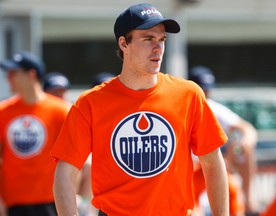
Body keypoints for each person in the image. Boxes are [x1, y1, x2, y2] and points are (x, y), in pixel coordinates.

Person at [50, 3, 229, 216]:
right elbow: (64, 175)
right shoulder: (91, 103)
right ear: (124, 44)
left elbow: (213, 165)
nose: (158, 48)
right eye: (148, 39)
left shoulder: (189, 94)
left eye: (162, 40)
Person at [0, 51, 69, 216]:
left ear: (31, 74)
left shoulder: (60, 110)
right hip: (13, 202)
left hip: (51, 199)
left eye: (14, 73)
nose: (9, 78)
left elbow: (71, 159)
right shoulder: (3, 111)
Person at [189, 65, 258, 214]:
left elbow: (247, 129)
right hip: (190, 170)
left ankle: (248, 201)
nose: (206, 93)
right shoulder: (184, 106)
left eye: (207, 89)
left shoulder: (214, 108)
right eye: (202, 89)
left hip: (213, 164)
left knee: (242, 151)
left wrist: (244, 143)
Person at [43, 72, 97, 216]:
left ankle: (86, 207)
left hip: (72, 190)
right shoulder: (45, 114)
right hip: (42, 190)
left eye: (62, 92)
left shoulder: (69, 111)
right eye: (54, 92)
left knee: (86, 164)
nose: (59, 97)